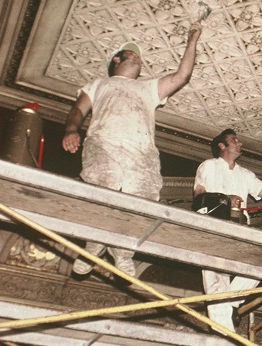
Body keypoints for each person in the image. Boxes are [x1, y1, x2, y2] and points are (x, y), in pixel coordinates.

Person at [62, 21, 203, 277]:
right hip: (104, 141)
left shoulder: (148, 87)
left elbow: (182, 76)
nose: (138, 58)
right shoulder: (98, 84)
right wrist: (71, 130)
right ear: (116, 60)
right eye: (132, 54)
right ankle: (93, 248)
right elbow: (77, 110)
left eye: (139, 57)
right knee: (103, 189)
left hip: (141, 150)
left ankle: (123, 252)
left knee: (143, 199)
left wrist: (192, 40)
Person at [194, 128, 262, 330]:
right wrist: (226, 199)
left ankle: (231, 304)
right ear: (222, 145)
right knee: (216, 276)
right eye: (234, 140)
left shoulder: (245, 174)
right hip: (214, 224)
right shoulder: (208, 166)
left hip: (240, 226)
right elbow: (199, 194)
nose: (240, 143)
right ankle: (223, 331)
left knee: (261, 264)